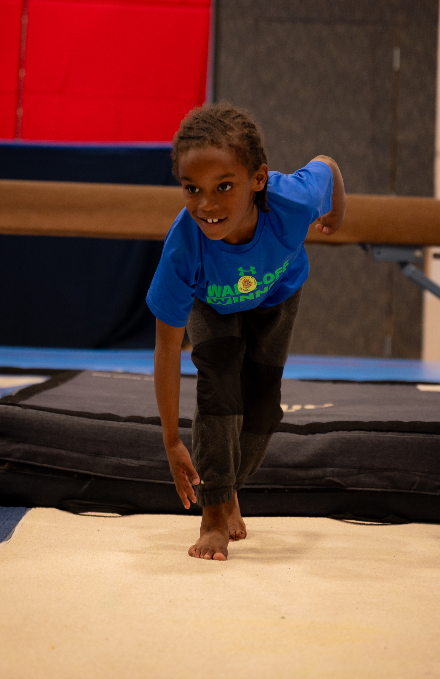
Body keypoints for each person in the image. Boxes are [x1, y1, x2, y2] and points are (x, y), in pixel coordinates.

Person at [146, 102, 346, 560]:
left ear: (258, 180)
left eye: (224, 186)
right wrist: (172, 441)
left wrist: (337, 214)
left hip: (276, 295)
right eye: (191, 188)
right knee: (219, 388)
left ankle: (230, 489)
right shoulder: (183, 249)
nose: (206, 204)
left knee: (261, 408)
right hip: (211, 303)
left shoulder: (293, 201)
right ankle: (214, 512)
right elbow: (166, 347)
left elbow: (328, 166)